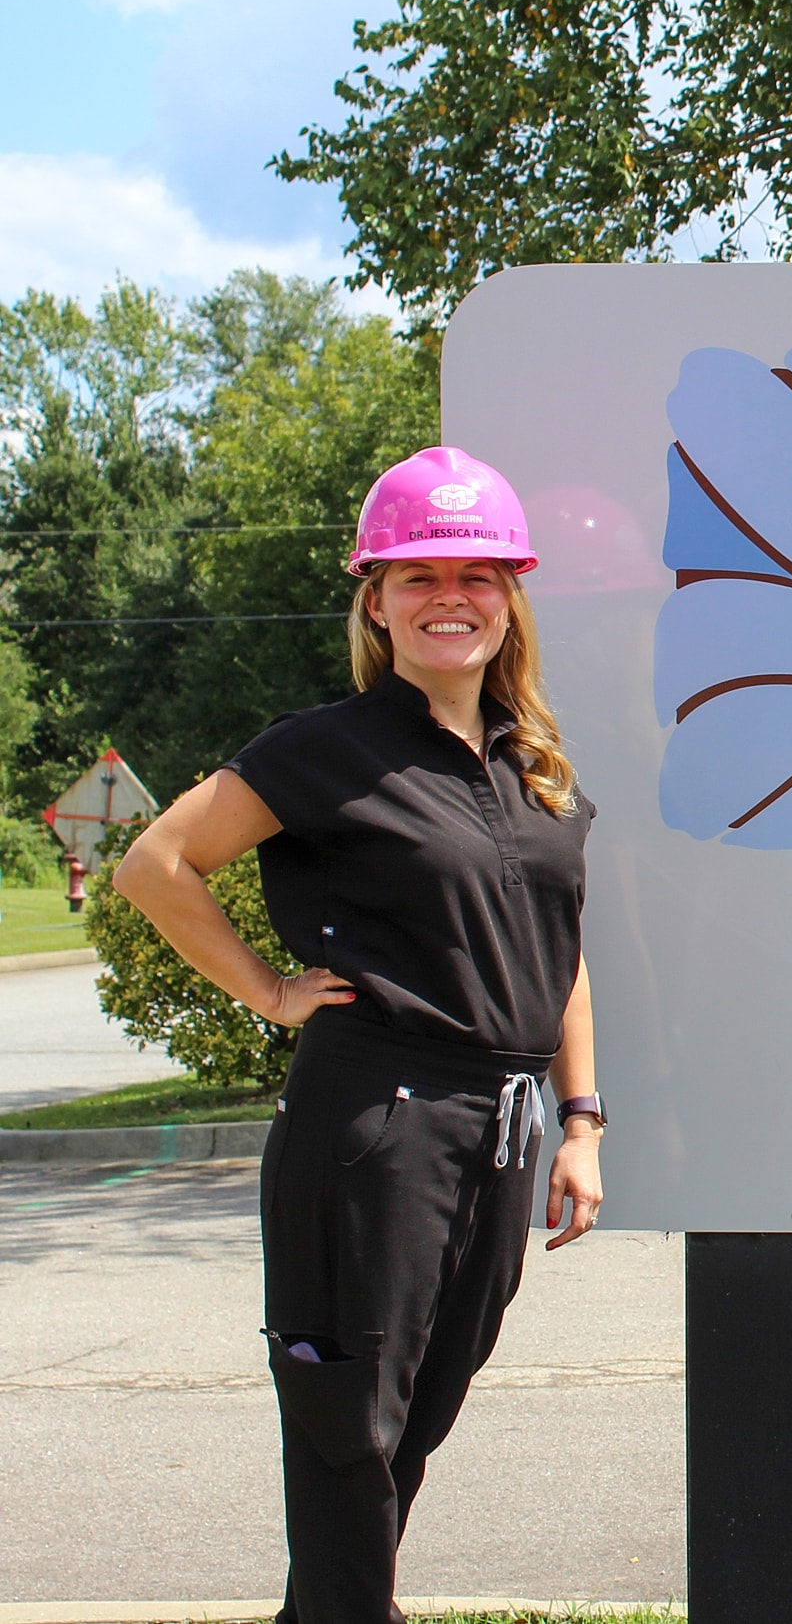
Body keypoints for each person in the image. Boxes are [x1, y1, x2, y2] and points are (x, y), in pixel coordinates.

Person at [114, 447, 605, 1624]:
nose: (450, 596)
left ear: (509, 598)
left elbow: (558, 951)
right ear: (375, 601)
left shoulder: (529, 760)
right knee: (349, 1416)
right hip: (376, 1116)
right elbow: (156, 862)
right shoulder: (325, 747)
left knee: (421, 1404)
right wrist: (270, 990)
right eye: (417, 574)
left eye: (476, 574)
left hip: (504, 1125)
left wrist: (581, 1118)